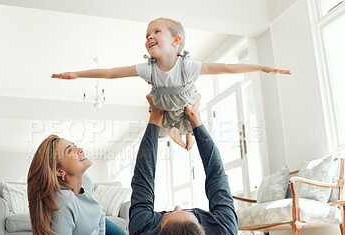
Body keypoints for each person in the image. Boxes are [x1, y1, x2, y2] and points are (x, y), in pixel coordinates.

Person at [51, 17, 291, 151]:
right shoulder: (149, 69)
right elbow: (112, 73)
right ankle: (178, 134)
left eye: (156, 32)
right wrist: (77, 74)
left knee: (191, 117)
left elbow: (227, 68)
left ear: (176, 41)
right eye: (146, 35)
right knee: (162, 124)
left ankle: (186, 131)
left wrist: (262, 67)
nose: (149, 37)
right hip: (164, 107)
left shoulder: (188, 66)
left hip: (186, 103)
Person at [128, 93, 249, 235]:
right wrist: (195, 121)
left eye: (168, 215)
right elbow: (216, 173)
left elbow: (143, 176)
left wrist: (155, 118)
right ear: (202, 227)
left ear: (158, 232)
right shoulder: (224, 230)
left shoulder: (142, 233)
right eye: (189, 213)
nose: (177, 206)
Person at [27, 136, 127, 235]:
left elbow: (99, 214)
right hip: (81, 231)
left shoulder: (86, 181)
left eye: (75, 145)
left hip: (92, 224)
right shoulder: (63, 200)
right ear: (59, 171)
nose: (80, 150)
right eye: (70, 150)